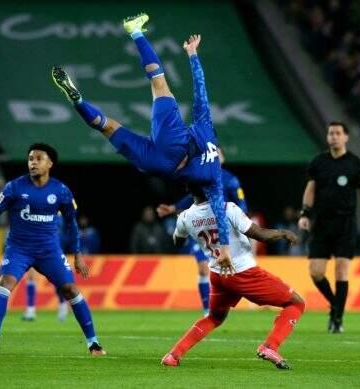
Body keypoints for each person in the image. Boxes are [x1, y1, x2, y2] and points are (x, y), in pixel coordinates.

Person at [51, 14, 232, 270]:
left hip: (175, 142)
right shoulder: (215, 180)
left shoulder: (207, 129)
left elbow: (200, 92)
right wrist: (224, 248)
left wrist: (193, 55)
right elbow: (221, 216)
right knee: (107, 126)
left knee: (159, 83)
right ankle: (78, 102)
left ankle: (135, 31)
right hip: (161, 167)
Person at [0, 143, 106, 355]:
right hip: (19, 248)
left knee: (70, 289)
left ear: (50, 163)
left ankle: (94, 343)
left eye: (39, 158)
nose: (33, 162)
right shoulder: (14, 187)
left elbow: (71, 223)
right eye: (30, 158)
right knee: (4, 283)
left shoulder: (61, 191)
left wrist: (78, 255)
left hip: (48, 250)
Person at [161, 185, 304, 370]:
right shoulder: (227, 209)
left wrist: (189, 230)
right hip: (243, 273)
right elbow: (260, 235)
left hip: (218, 275)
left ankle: (173, 355)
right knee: (296, 303)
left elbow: (178, 241)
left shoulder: (186, 217)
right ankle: (270, 346)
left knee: (214, 318)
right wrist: (283, 233)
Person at [298, 122, 360, 333]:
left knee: (341, 271)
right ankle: (335, 304)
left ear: (346, 137)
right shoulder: (318, 162)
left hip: (345, 224)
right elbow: (310, 189)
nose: (333, 137)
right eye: (331, 133)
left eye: (338, 133)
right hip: (321, 224)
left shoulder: (355, 164)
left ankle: (338, 319)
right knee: (316, 272)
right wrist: (305, 213)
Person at [156, 147, 248, 315]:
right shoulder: (200, 177)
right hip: (200, 227)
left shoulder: (230, 180)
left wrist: (241, 223)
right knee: (203, 269)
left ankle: (224, 302)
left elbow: (241, 203)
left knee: (227, 271)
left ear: (223, 158)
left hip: (223, 231)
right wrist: (173, 208)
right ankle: (207, 310)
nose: (215, 156)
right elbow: (191, 197)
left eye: (218, 153)